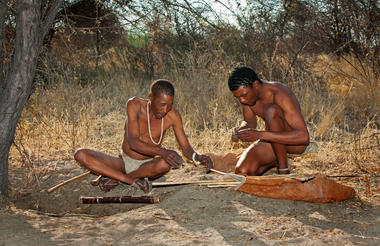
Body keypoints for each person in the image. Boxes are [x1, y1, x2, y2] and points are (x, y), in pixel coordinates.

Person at [74, 79, 212, 192]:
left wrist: (198, 157)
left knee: (165, 164)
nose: (165, 110)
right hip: (123, 162)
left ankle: (119, 178)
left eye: (169, 105)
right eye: (162, 104)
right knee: (80, 154)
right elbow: (133, 142)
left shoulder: (173, 116)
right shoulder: (134, 105)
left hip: (146, 167)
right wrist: (162, 151)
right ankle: (128, 179)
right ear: (150, 97)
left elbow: (186, 148)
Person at [224, 66, 309, 176]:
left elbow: (304, 137)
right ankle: (274, 161)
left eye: (244, 95)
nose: (242, 100)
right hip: (272, 141)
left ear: (255, 85)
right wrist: (240, 130)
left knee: (271, 111)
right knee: (243, 172)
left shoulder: (279, 93)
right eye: (238, 97)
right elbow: (250, 122)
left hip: (293, 142)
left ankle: (283, 170)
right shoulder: (247, 99)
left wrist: (260, 135)